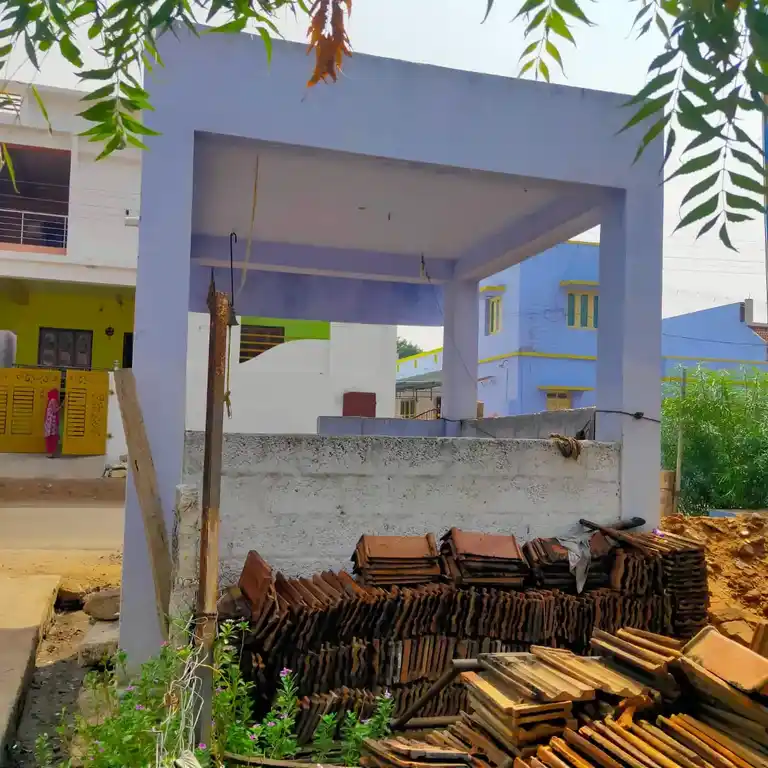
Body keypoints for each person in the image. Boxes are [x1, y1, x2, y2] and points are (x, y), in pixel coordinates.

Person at [44, 388, 60, 457]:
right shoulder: (53, 400)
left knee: (50, 437)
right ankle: (51, 453)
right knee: (52, 437)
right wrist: (61, 406)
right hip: (52, 423)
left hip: (49, 422)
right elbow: (55, 410)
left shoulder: (50, 400)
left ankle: (50, 453)